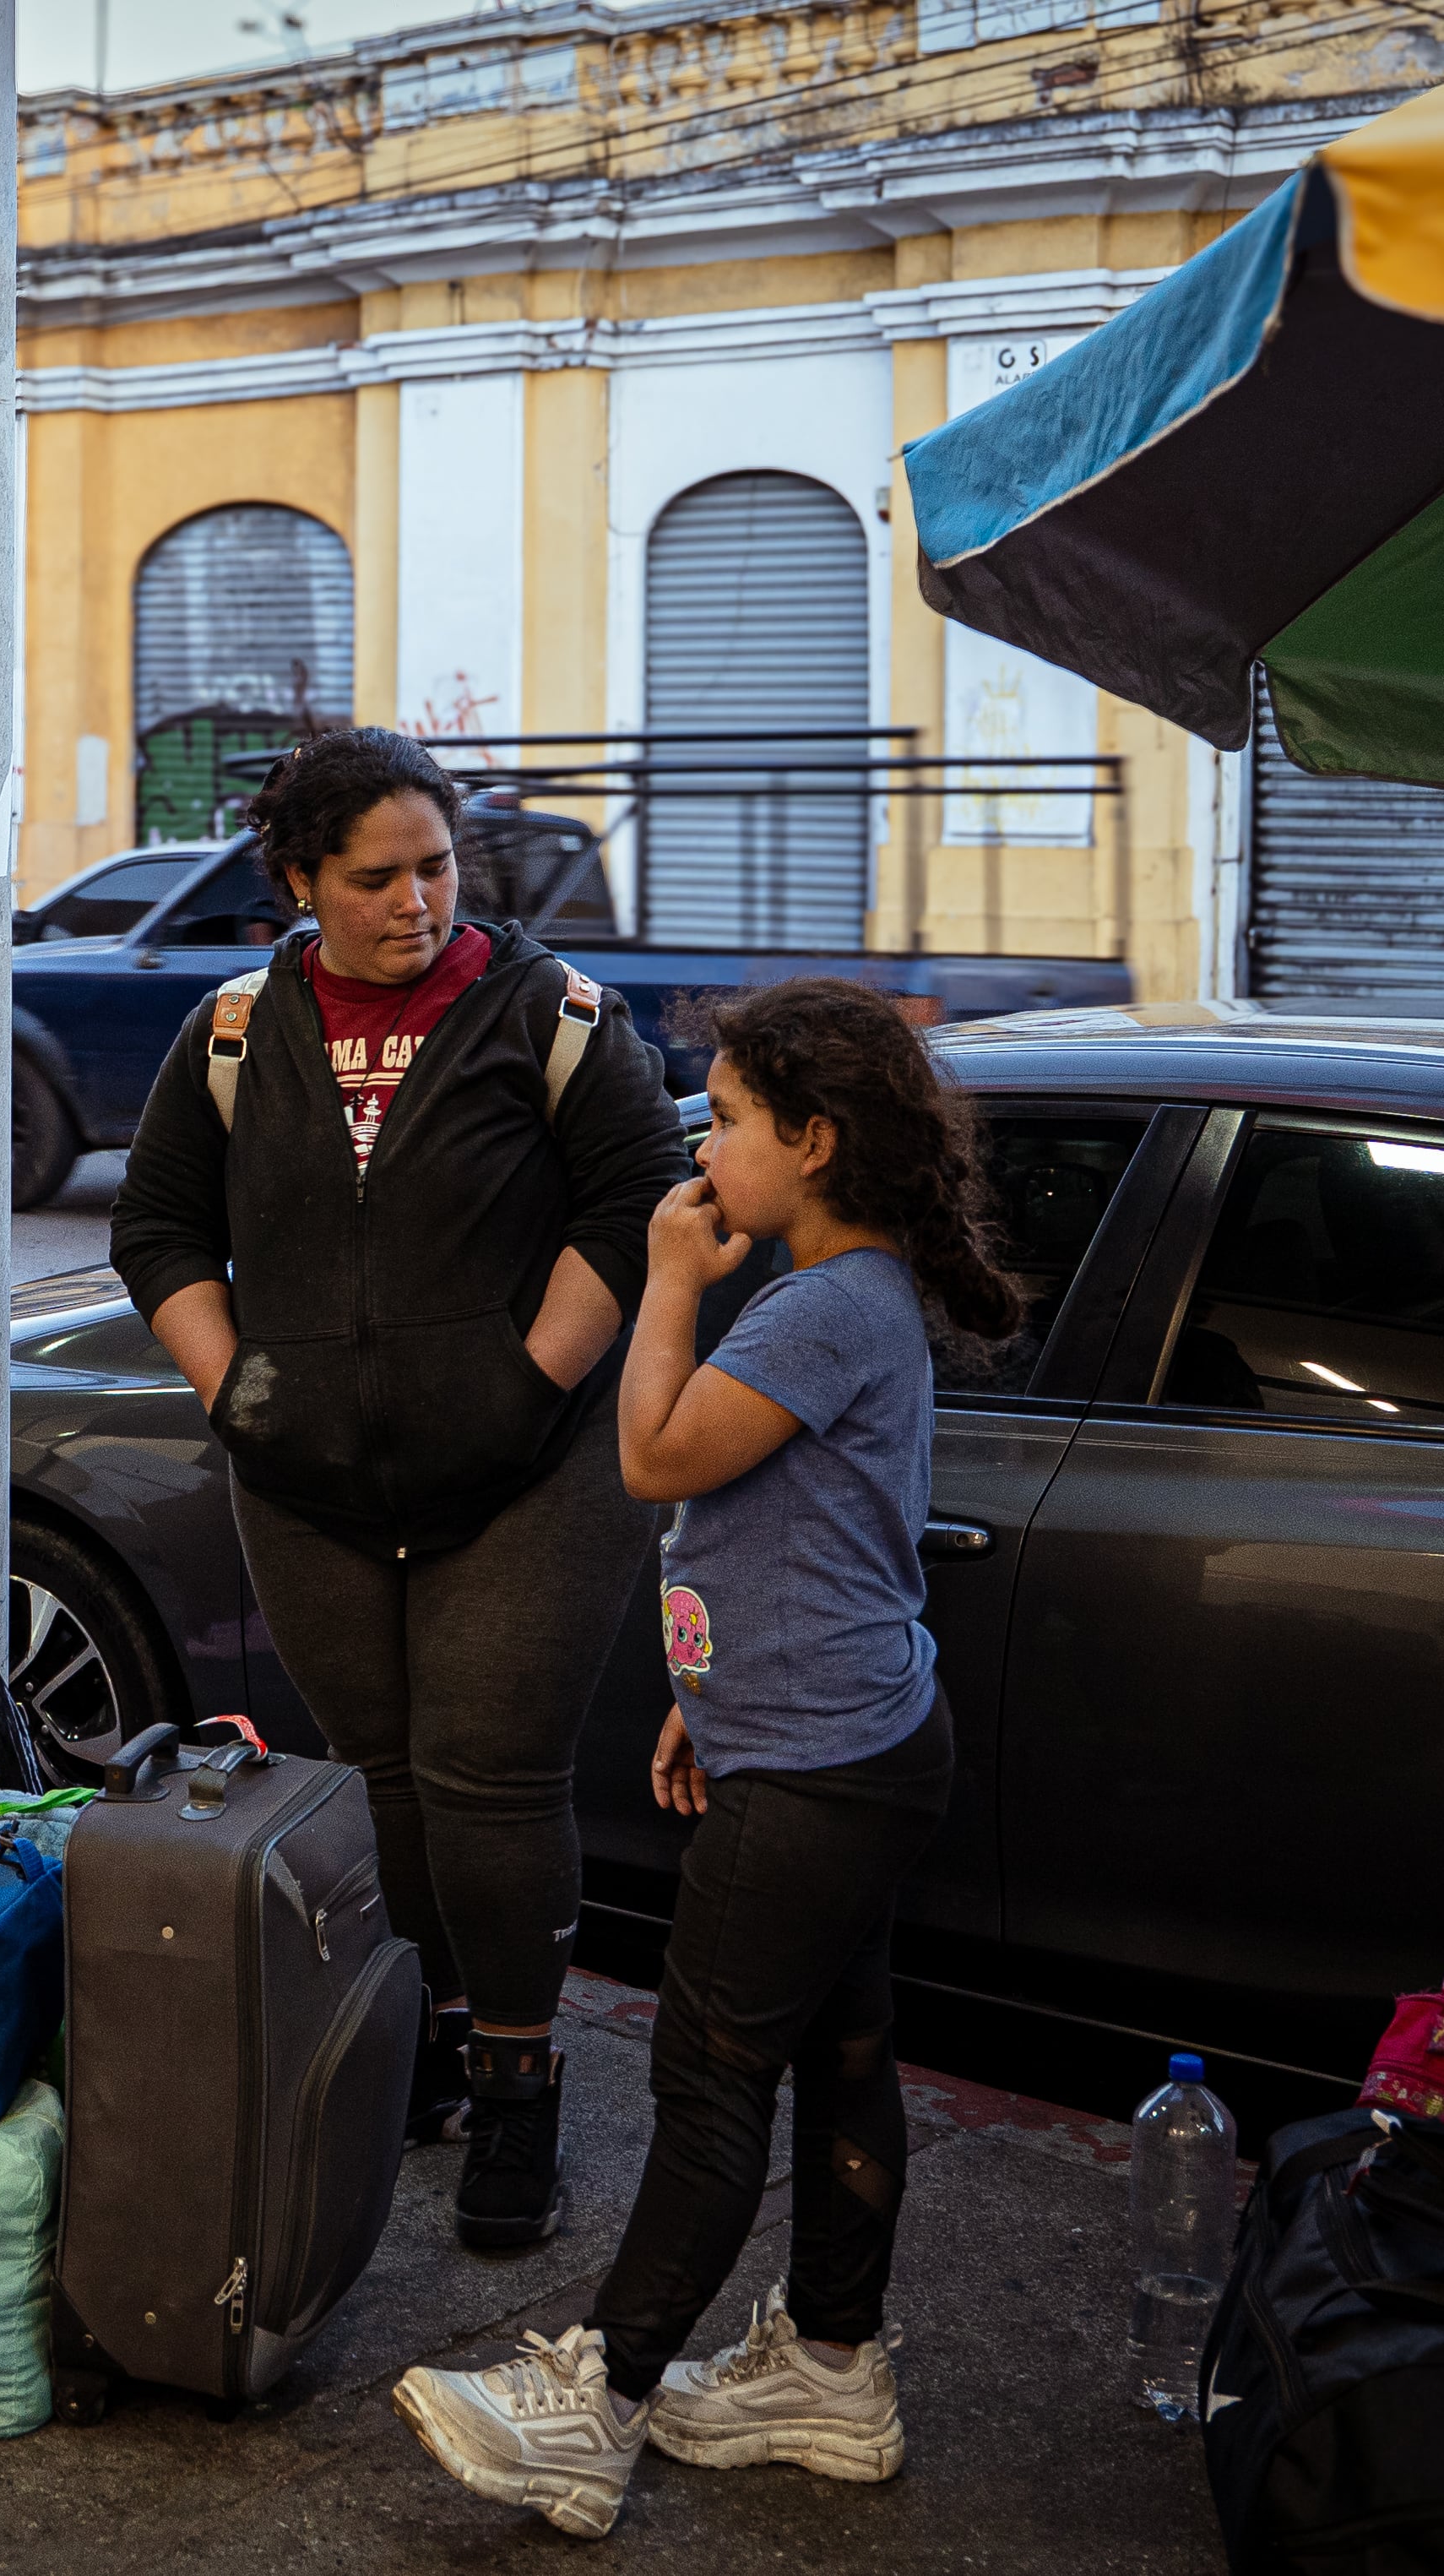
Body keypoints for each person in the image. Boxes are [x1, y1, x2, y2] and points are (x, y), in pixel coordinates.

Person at [391, 978, 1017, 2540]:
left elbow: (657, 1455)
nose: (701, 1144)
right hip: (842, 1733)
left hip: (819, 1769)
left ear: (813, 1143)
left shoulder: (820, 1306)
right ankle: (829, 2366)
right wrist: (706, 1687)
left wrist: (665, 1277)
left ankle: (590, 2407)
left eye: (725, 1119)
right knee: (844, 2049)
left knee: (712, 2072)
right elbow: (790, 1537)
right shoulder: (850, 1297)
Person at [109, 727, 687, 2247]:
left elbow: (636, 1207)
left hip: (531, 1477)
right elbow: (159, 1226)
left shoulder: (554, 1015)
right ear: (299, 883)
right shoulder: (235, 1031)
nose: (415, 902)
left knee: (493, 1776)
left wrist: (527, 1382)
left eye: (436, 867)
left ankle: (520, 2079)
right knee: (385, 1775)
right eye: (374, 881)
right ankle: (429, 2026)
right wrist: (236, 1384)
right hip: (308, 1483)